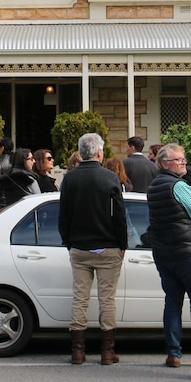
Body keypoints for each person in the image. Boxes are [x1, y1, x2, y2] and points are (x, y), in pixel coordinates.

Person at [58, 133, 127, 365]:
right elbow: (119, 216)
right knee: (107, 299)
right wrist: (122, 244)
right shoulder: (110, 178)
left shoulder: (69, 179)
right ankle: (107, 352)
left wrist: (68, 241)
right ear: (99, 153)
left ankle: (78, 350)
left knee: (80, 298)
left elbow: (63, 216)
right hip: (108, 245)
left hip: (79, 246)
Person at [147, 144, 191, 368]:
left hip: (164, 254)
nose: (183, 163)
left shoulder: (153, 186)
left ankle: (173, 353)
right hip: (187, 252)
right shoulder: (179, 186)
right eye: (179, 160)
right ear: (164, 163)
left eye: (184, 160)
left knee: (173, 303)